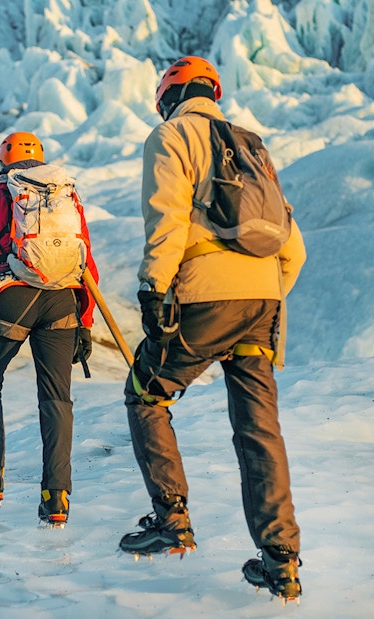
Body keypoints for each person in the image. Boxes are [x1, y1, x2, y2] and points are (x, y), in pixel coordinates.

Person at [118, 57, 306, 601]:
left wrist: (156, 288)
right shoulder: (250, 144)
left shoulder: (172, 136)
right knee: (259, 430)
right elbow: (294, 247)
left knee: (146, 395)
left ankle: (172, 521)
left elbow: (167, 219)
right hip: (264, 298)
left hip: (206, 294)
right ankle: (281, 562)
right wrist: (263, 294)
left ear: (167, 97)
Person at [0, 131, 99, 526]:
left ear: (3, 163)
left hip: (11, 299)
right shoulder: (66, 198)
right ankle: (56, 496)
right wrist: (85, 322)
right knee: (56, 398)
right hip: (62, 300)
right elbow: (86, 263)